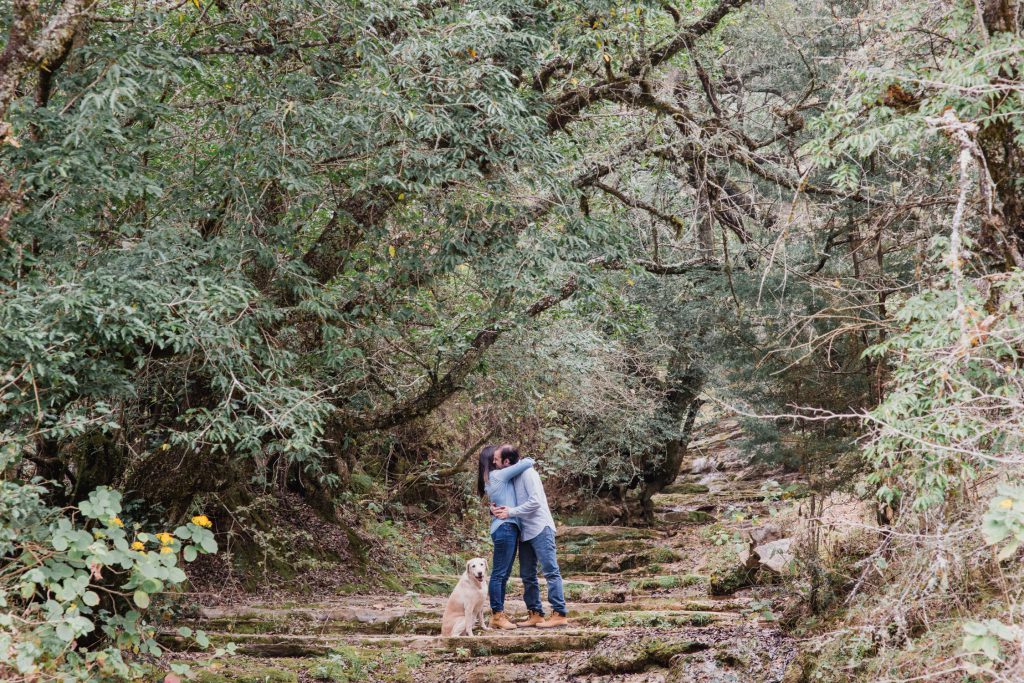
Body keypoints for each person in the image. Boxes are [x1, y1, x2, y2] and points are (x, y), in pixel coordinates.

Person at [490, 444, 568, 628]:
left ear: (506, 461)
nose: (494, 462)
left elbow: (535, 502)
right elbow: (502, 499)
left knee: (550, 570)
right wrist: (493, 508)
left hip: (540, 527)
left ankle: (559, 613)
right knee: (527, 574)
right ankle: (536, 613)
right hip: (525, 532)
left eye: (497, 459)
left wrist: (511, 512)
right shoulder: (511, 477)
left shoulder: (528, 474)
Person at [477, 444, 534, 630]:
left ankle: (499, 613)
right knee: (499, 574)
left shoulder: (493, 477)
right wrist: (513, 458)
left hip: (507, 528)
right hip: (505, 528)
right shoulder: (498, 475)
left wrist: (491, 509)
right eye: (494, 457)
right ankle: (496, 615)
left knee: (504, 574)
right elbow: (528, 462)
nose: (496, 459)